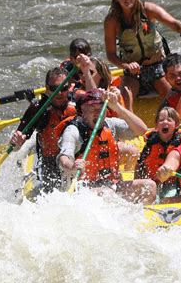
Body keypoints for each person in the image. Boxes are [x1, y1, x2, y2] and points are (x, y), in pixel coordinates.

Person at [104, 0, 181, 107]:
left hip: (157, 66)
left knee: (172, 98)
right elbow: (111, 54)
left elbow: (174, 23)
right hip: (133, 71)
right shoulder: (112, 21)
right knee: (125, 99)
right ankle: (130, 125)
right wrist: (126, 66)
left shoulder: (148, 9)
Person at [58, 89, 156, 205]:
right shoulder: (73, 130)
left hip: (111, 185)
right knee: (107, 194)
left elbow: (141, 130)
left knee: (150, 186)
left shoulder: (111, 124)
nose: (97, 113)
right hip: (83, 190)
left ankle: (135, 219)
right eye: (92, 109)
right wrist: (73, 166)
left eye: (101, 109)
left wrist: (117, 107)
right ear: (82, 112)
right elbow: (63, 159)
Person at [11, 67, 76, 195]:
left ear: (69, 87)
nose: (59, 93)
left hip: (77, 161)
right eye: (54, 89)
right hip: (50, 164)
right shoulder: (37, 110)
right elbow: (15, 147)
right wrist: (16, 143)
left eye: (63, 88)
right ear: (47, 88)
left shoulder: (79, 104)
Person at [135, 106, 181, 199]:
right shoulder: (151, 142)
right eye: (161, 120)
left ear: (177, 124)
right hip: (155, 183)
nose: (165, 122)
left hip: (174, 183)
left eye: (169, 120)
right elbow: (139, 165)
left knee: (170, 197)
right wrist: (138, 182)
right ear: (156, 126)